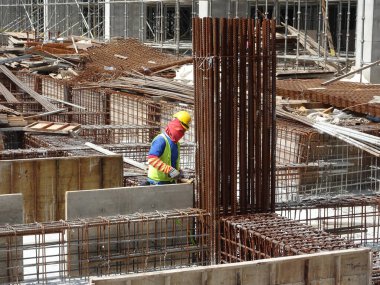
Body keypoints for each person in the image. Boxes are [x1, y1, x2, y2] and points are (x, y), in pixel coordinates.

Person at [146, 111, 191, 185]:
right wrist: (169, 170)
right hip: (157, 182)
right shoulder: (161, 140)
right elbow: (152, 159)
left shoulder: (176, 143)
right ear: (175, 126)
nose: (182, 133)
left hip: (170, 182)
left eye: (183, 131)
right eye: (180, 130)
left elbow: (171, 161)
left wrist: (178, 171)